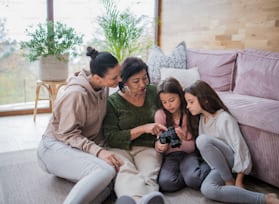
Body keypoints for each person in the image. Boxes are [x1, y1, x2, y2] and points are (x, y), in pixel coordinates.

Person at [36, 47, 124, 204]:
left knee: (109, 183)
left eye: (120, 75)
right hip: (54, 147)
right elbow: (67, 134)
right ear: (97, 78)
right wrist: (98, 152)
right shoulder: (76, 94)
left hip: (76, 148)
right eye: (114, 78)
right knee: (105, 170)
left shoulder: (103, 88)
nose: (119, 80)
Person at [184, 80, 279, 204]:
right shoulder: (201, 119)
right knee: (207, 190)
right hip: (218, 168)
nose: (188, 106)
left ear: (205, 100)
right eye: (187, 102)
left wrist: (239, 181)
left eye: (191, 102)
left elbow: (240, 147)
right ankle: (266, 199)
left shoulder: (224, 118)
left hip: (231, 162)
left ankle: (229, 181)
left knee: (202, 140)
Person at [103, 57, 167, 204]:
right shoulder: (112, 102)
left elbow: (169, 114)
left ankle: (138, 200)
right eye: (136, 81)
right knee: (125, 172)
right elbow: (111, 136)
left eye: (145, 78)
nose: (143, 84)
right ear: (124, 82)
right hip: (120, 148)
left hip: (147, 146)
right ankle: (138, 200)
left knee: (149, 174)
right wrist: (143, 128)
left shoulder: (154, 92)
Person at [154, 77, 210, 192]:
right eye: (164, 102)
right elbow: (159, 140)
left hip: (188, 154)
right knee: (165, 183)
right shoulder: (160, 115)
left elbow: (194, 146)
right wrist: (160, 146)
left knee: (194, 179)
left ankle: (207, 168)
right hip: (171, 156)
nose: (168, 105)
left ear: (180, 95)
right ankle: (189, 176)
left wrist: (182, 140)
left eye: (172, 100)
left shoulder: (190, 113)